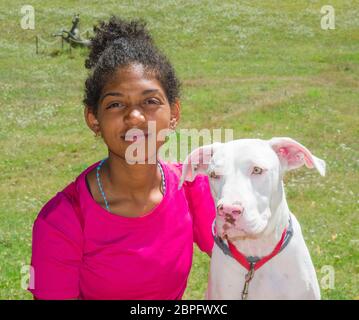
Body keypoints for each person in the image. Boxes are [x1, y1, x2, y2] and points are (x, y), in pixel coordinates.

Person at [28, 16, 216, 300]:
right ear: (94, 119)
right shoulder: (62, 220)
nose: (135, 117)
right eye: (116, 104)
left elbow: (250, 251)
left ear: (174, 114)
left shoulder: (190, 187)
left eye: (150, 101)